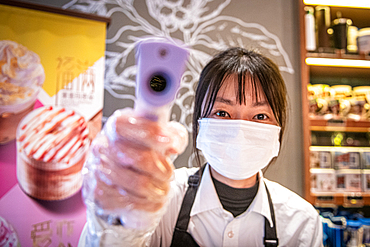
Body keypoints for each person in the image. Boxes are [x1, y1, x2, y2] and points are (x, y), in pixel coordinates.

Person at [79, 47, 323, 246]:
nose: (239, 128)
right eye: (222, 112)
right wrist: (119, 217)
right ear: (199, 124)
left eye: (259, 116)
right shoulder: (159, 200)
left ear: (278, 129)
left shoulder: (301, 222)